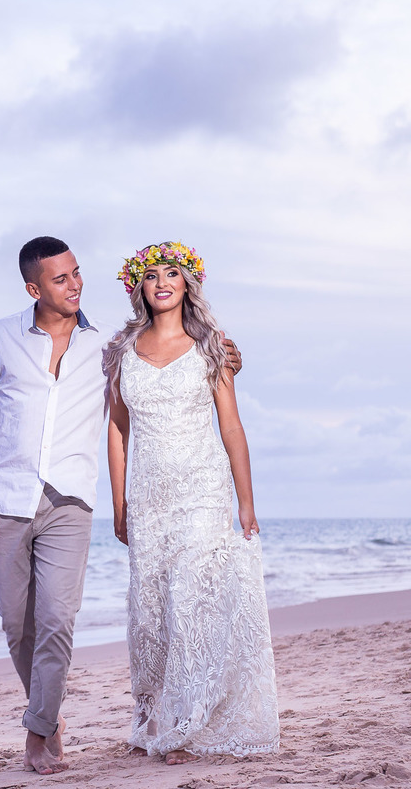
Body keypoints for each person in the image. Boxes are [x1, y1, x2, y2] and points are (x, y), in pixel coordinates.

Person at [0, 236, 242, 774]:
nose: (75, 284)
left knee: (58, 620)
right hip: (8, 499)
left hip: (71, 500)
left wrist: (229, 357)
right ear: (33, 287)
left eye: (77, 273)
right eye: (61, 279)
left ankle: (38, 732)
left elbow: (164, 366)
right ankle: (50, 712)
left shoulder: (106, 348)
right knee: (18, 625)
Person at [104, 242, 280, 765]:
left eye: (172, 273)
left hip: (203, 490)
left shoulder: (212, 348)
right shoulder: (119, 351)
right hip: (149, 495)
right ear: (138, 285)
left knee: (192, 604)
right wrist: (120, 504)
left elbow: (231, 425)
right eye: (152, 274)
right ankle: (155, 716)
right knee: (152, 608)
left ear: (187, 284)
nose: (162, 282)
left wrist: (246, 502)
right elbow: (117, 431)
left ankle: (184, 725)